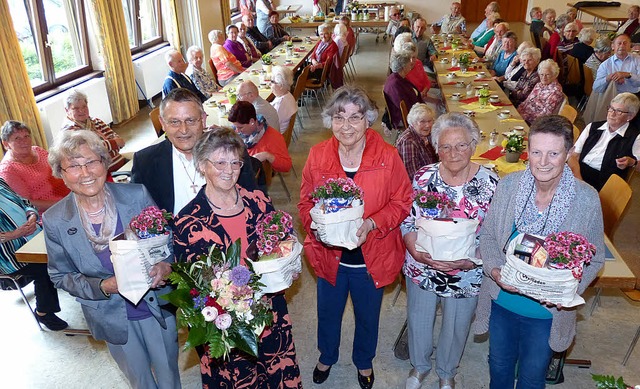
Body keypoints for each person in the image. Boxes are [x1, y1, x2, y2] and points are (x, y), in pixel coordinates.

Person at [474, 115, 605, 389]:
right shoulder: (509, 186)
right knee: (498, 367)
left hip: (546, 313)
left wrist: (567, 292)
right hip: (503, 300)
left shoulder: (586, 198)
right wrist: (495, 271)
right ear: (528, 152)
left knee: (532, 378)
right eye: (536, 152)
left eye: (553, 153)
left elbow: (595, 259)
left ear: (568, 154)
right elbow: (486, 236)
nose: (543, 162)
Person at [43, 130, 181, 388]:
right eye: (73, 166)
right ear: (61, 174)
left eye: (91, 161)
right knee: (139, 380)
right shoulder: (55, 220)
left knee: (169, 376)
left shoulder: (136, 195)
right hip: (110, 315)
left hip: (155, 307)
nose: (85, 173)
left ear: (105, 163)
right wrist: (102, 286)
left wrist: (165, 264)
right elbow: (60, 275)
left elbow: (167, 240)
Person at [298, 85, 412, 389]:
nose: (346, 126)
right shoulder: (317, 154)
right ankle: (327, 356)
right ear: (330, 120)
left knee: (367, 315)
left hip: (371, 255)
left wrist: (373, 223)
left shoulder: (387, 156)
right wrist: (315, 225)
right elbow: (305, 202)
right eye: (339, 117)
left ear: (368, 120)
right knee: (328, 313)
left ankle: (364, 362)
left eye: (355, 117)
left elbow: (402, 201)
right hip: (329, 255)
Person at [173, 127, 302, 388]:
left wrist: (290, 262)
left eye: (235, 162)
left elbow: (280, 244)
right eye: (219, 162)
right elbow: (189, 288)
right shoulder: (188, 221)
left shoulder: (259, 201)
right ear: (201, 165)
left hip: (269, 309)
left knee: (278, 373)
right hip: (224, 324)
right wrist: (226, 303)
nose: (228, 170)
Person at [402, 112, 499, 389]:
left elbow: (495, 235)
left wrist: (473, 260)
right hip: (422, 265)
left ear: (473, 145)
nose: (453, 153)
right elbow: (407, 219)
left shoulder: (491, 183)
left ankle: (446, 371)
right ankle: (419, 367)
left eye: (461, 145)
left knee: (456, 326)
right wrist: (415, 250)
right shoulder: (423, 177)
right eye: (444, 146)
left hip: (467, 271)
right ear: (435, 147)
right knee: (418, 320)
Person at [132, 88, 256, 215]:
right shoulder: (145, 162)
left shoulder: (232, 152)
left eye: (190, 120)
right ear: (162, 123)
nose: (184, 130)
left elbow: (255, 201)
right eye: (174, 122)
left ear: (203, 119)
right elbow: (139, 217)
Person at [0, 178, 68, 331]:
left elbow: (24, 202)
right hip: (10, 256)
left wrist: (32, 216)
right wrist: (13, 234)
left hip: (35, 235)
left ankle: (88, 290)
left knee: (69, 244)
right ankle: (44, 311)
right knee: (45, 266)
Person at [568, 92, 640, 191]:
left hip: (602, 184)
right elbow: (573, 156)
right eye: (611, 108)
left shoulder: (635, 137)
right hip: (577, 172)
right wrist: (579, 180)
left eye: (618, 111)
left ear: (630, 116)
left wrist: (632, 162)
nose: (612, 114)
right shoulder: (593, 127)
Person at [0, 121, 69, 213]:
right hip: (50, 212)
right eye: (17, 138)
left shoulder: (38, 150)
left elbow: (59, 169)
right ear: (6, 144)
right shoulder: (8, 170)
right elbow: (27, 203)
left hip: (69, 197)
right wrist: (62, 204)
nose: (24, 141)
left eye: (26, 136)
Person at [61, 90, 128, 172]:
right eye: (76, 108)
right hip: (102, 173)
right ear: (67, 110)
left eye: (84, 106)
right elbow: (90, 152)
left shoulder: (96, 121)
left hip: (120, 163)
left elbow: (121, 142)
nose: (81, 111)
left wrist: (107, 146)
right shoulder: (69, 131)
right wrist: (113, 144)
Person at [228, 100, 292, 173]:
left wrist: (267, 155)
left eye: (240, 127)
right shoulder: (239, 131)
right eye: (235, 127)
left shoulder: (272, 137)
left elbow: (287, 166)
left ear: (252, 122)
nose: (237, 131)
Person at [384, 51, 425, 130]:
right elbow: (404, 107)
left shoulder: (399, 77)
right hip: (404, 117)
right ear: (403, 67)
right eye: (409, 64)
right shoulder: (395, 84)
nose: (411, 65)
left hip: (415, 109)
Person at [396, 103, 438, 180]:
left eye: (430, 121)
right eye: (422, 122)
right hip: (421, 184)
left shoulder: (426, 135)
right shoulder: (409, 142)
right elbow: (413, 175)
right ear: (413, 123)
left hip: (432, 174)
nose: (427, 125)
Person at [517, 59, 564, 124]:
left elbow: (545, 114)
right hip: (523, 116)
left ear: (555, 75)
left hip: (533, 123)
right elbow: (526, 102)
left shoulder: (555, 91)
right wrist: (517, 111)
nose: (544, 77)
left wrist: (524, 117)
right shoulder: (539, 85)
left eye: (547, 75)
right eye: (541, 74)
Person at [394, 35, 431, 100]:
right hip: (414, 99)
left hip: (423, 96)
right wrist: (419, 95)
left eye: (413, 57)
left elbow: (427, 82)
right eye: (409, 57)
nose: (411, 61)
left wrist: (424, 91)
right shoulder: (403, 71)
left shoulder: (418, 63)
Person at [270, 65, 298, 133]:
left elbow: (271, 124)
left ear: (281, 85)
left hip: (276, 136)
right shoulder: (288, 95)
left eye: (272, 81)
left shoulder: (280, 103)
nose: (269, 84)